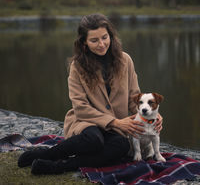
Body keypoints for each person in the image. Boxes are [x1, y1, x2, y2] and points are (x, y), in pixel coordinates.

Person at [18, 13, 163, 175]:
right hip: (86, 122)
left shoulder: (125, 60)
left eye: (105, 37)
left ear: (111, 36)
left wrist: (153, 116)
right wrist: (114, 122)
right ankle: (46, 155)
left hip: (114, 129)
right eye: (94, 40)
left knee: (121, 146)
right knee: (94, 141)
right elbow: (81, 108)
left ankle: (58, 167)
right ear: (84, 43)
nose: (101, 44)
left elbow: (134, 100)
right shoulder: (77, 66)